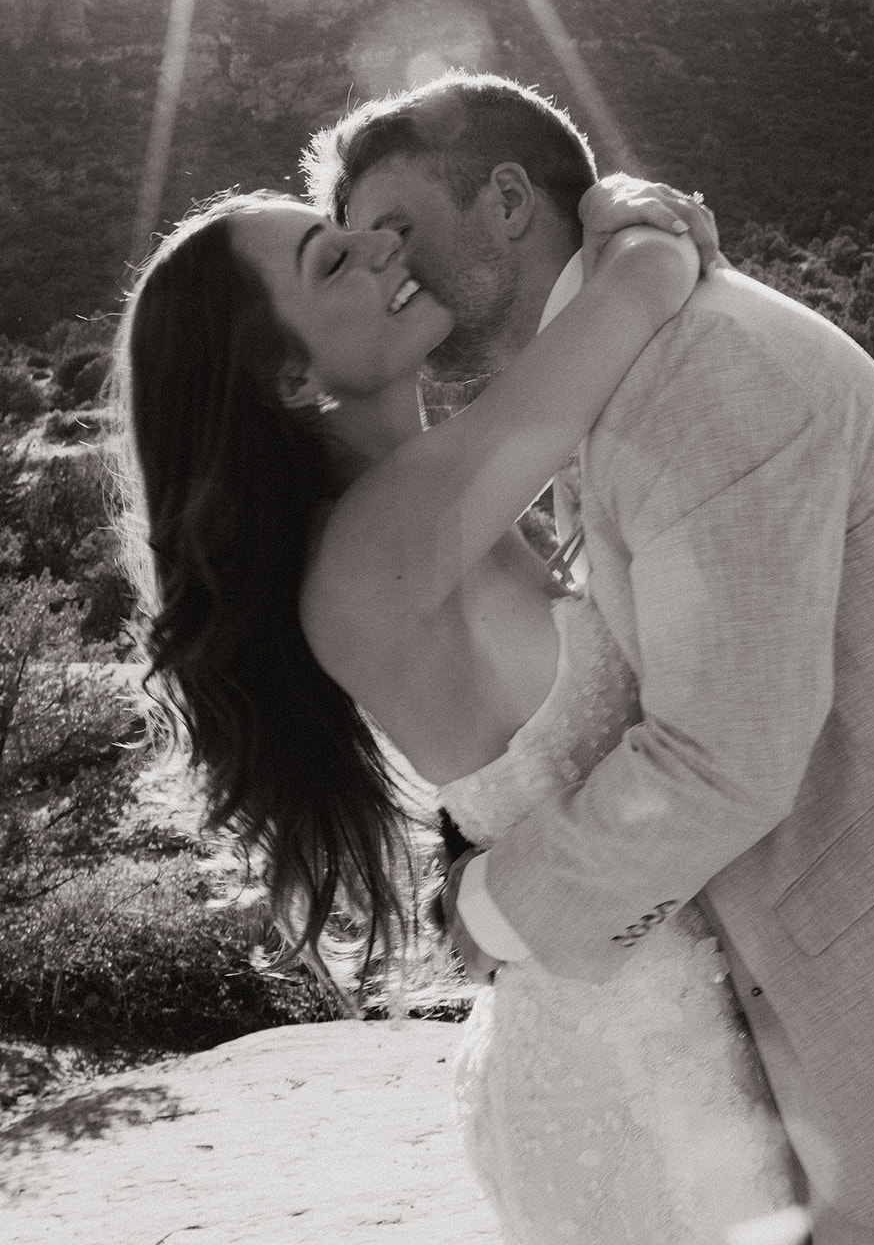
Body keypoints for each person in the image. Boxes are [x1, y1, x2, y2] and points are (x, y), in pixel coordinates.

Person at [305, 69, 874, 1245]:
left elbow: (729, 749)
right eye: (353, 253)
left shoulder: (700, 370)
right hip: (851, 1019)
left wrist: (497, 909)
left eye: (396, 229)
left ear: (508, 199)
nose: (387, 266)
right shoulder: (618, 365)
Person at [111, 174, 802, 1245]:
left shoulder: (437, 499)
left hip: (649, 1024)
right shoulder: (374, 543)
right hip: (632, 1085)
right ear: (289, 376)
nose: (381, 246)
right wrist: (632, 208)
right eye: (333, 261)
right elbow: (637, 293)